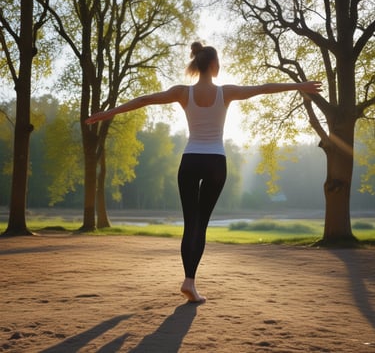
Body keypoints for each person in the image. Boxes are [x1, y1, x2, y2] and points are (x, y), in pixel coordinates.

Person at [85, 41, 322, 303]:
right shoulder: (226, 92)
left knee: (190, 223)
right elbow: (263, 89)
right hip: (215, 163)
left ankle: (189, 282)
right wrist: (300, 86)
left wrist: (107, 113)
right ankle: (190, 282)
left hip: (190, 160)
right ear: (212, 64)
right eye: (218, 62)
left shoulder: (182, 92)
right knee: (202, 224)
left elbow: (145, 100)